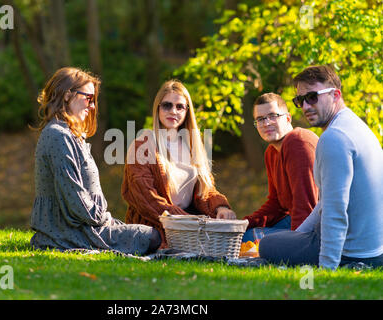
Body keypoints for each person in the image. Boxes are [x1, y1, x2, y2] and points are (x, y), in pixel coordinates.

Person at [259, 65, 383, 269]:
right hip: (375, 250)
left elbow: (335, 211)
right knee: (284, 237)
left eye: (313, 97)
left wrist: (327, 268)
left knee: (267, 244)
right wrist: (297, 236)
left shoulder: (334, 137)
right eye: (300, 100)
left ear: (336, 95)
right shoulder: (356, 126)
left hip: (351, 253)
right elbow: (325, 203)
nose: (306, 106)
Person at [29, 67, 161, 255]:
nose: (92, 106)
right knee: (152, 237)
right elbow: (73, 196)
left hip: (87, 224)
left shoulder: (69, 135)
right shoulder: (58, 136)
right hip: (69, 232)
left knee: (152, 234)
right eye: (88, 98)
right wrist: (102, 219)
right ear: (67, 95)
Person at [121, 79, 236, 248]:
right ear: (158, 108)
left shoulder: (192, 145)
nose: (173, 111)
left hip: (190, 221)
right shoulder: (143, 145)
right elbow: (145, 198)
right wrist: (185, 221)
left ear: (187, 111)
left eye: (179, 106)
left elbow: (205, 190)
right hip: (156, 225)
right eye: (167, 105)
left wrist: (220, 207)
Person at [242, 93, 319, 243]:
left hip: (319, 225)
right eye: (260, 119)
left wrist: (294, 246)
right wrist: (244, 224)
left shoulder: (298, 142)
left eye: (273, 116)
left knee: (249, 239)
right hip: (297, 219)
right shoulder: (271, 152)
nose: (266, 123)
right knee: (243, 234)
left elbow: (307, 208)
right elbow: (276, 204)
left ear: (288, 118)